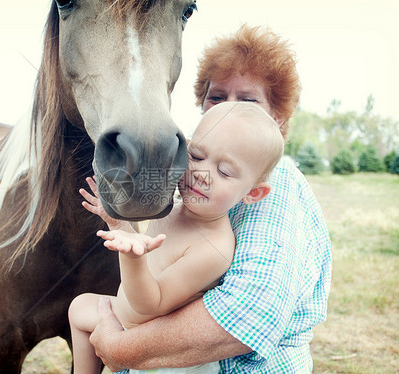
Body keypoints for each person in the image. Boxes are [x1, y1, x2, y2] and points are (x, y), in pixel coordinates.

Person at [88, 25, 332, 373]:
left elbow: (249, 313)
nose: (228, 111)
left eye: (248, 101)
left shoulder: (278, 184)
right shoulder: (196, 171)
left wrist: (123, 348)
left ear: (277, 118)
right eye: (217, 97)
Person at [69, 101, 285, 374]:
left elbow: (150, 303)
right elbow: (144, 247)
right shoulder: (171, 205)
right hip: (128, 318)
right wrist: (119, 223)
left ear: (252, 193)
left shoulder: (214, 248)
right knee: (79, 308)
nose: (201, 174)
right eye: (195, 156)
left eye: (224, 172)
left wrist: (132, 256)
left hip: (162, 354)